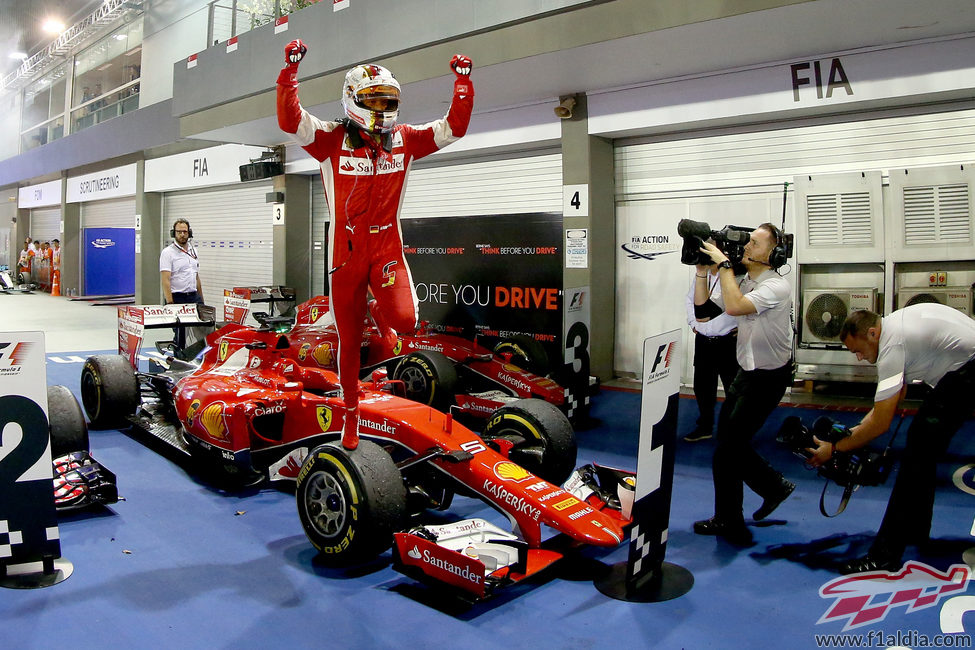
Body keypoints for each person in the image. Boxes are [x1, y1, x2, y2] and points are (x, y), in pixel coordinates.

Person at [277, 39, 474, 450]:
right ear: (352, 100)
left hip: (386, 249)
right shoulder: (331, 139)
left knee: (404, 322)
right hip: (345, 257)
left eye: (388, 101)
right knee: (349, 342)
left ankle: (378, 306)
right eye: (374, 101)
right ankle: (350, 415)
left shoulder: (405, 139)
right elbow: (290, 121)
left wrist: (462, 85)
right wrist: (289, 75)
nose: (382, 110)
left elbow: (452, 129)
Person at [809, 305, 975, 574]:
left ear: (872, 333)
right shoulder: (894, 327)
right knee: (920, 452)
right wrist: (853, 434)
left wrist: (834, 449)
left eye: (858, 351)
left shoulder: (891, 346)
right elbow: (890, 401)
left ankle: (884, 556)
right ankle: (916, 531)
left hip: (967, 373)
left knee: (915, 460)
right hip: (963, 371)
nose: (860, 358)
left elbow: (882, 424)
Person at [692, 223, 795, 545]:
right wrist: (700, 272)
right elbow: (704, 312)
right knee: (726, 447)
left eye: (754, 243)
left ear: (774, 254)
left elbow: (735, 307)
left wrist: (723, 265)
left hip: (768, 378)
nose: (746, 247)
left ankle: (772, 487)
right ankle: (732, 515)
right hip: (746, 372)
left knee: (730, 446)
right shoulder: (746, 280)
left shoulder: (776, 286)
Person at [684, 263, 741, 441]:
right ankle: (705, 426)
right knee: (702, 387)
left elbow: (742, 305)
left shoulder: (736, 276)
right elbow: (690, 301)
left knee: (733, 387)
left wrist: (744, 327)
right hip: (703, 342)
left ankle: (734, 430)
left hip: (728, 342)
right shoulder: (703, 275)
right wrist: (694, 324)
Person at [159, 219, 203, 349]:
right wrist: (170, 303)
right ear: (174, 233)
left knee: (200, 330)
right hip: (177, 297)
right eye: (179, 232)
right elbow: (165, 280)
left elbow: (196, 276)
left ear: (189, 233)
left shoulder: (194, 251)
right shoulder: (168, 253)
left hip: (193, 296)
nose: (182, 234)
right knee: (181, 333)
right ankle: (178, 359)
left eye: (185, 231)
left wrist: (201, 299)